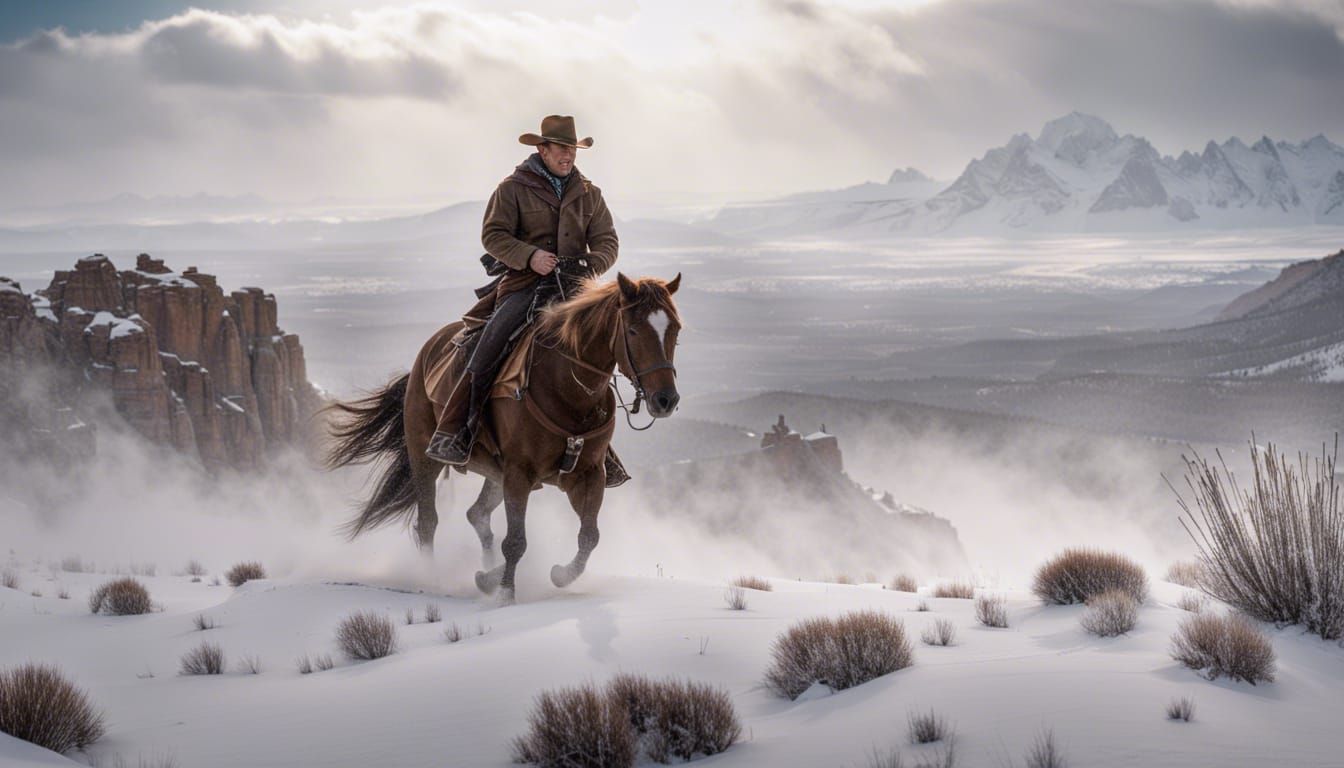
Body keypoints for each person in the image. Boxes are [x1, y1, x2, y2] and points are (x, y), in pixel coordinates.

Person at [426, 115, 629, 486]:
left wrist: (589, 263)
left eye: (573, 149)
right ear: (543, 149)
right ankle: (454, 431)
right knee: (487, 346)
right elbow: (493, 235)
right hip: (524, 285)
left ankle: (601, 451)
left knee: (602, 354)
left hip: (576, 290)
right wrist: (530, 257)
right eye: (562, 148)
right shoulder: (512, 189)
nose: (568, 155)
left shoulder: (589, 193)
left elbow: (608, 242)